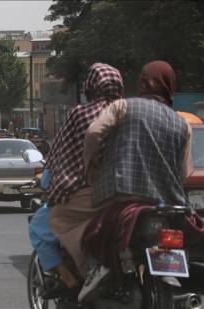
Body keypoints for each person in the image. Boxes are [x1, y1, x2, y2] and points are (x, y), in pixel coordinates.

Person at [78, 61, 193, 302]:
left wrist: (93, 167)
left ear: (142, 82)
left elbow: (93, 133)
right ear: (170, 86)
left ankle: (97, 274)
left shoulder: (123, 106)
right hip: (167, 204)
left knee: (92, 234)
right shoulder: (183, 123)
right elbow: (185, 173)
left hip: (122, 198)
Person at [30, 63, 124, 297]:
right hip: (124, 194)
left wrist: (45, 181)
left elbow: (60, 157)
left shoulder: (81, 114)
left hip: (83, 194)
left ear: (91, 86)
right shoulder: (128, 114)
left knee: (39, 228)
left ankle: (70, 280)